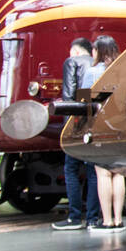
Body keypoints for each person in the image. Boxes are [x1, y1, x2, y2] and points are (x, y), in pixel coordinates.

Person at [52, 37, 97, 231]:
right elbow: (88, 96)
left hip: (75, 124)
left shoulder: (72, 62)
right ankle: (94, 218)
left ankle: (74, 216)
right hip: (93, 124)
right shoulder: (97, 65)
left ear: (76, 52)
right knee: (93, 171)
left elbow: (70, 96)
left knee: (70, 170)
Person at [84, 35, 126, 233]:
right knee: (118, 172)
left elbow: (83, 99)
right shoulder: (123, 72)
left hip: (100, 125)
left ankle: (107, 221)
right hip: (120, 125)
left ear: (97, 52)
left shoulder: (92, 72)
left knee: (102, 172)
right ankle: (119, 220)